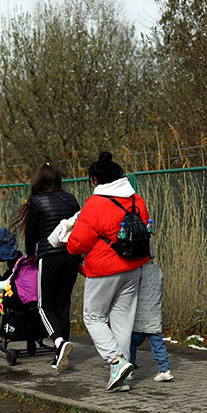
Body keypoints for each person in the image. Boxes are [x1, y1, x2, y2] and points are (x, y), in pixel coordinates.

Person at [67, 152, 151, 392]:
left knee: (93, 317)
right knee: (122, 322)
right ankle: (122, 377)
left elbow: (77, 245)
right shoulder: (137, 200)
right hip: (134, 267)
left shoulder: (95, 204)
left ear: (94, 180)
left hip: (103, 270)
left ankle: (116, 361)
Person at [9, 163, 81, 372]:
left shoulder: (36, 201)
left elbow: (31, 233)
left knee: (44, 305)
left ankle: (58, 342)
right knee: (62, 304)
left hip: (49, 256)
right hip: (71, 256)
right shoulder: (70, 199)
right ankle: (60, 353)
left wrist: (30, 253)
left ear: (40, 179)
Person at [128, 257, 173, 382]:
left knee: (132, 342)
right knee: (158, 344)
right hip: (154, 313)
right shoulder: (158, 270)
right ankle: (164, 369)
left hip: (139, 315)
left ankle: (129, 369)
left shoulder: (137, 270)